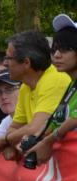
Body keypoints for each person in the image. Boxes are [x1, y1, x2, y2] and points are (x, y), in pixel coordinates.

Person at [3, 30, 71, 155]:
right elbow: (14, 128)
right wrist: (12, 140)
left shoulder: (55, 79)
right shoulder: (25, 86)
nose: (4, 63)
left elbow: (37, 129)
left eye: (8, 58)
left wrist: (6, 140)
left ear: (26, 63)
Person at [24, 15, 77, 164]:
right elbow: (57, 120)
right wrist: (35, 138)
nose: (57, 55)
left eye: (66, 49)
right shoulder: (72, 85)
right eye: (54, 49)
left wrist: (48, 141)